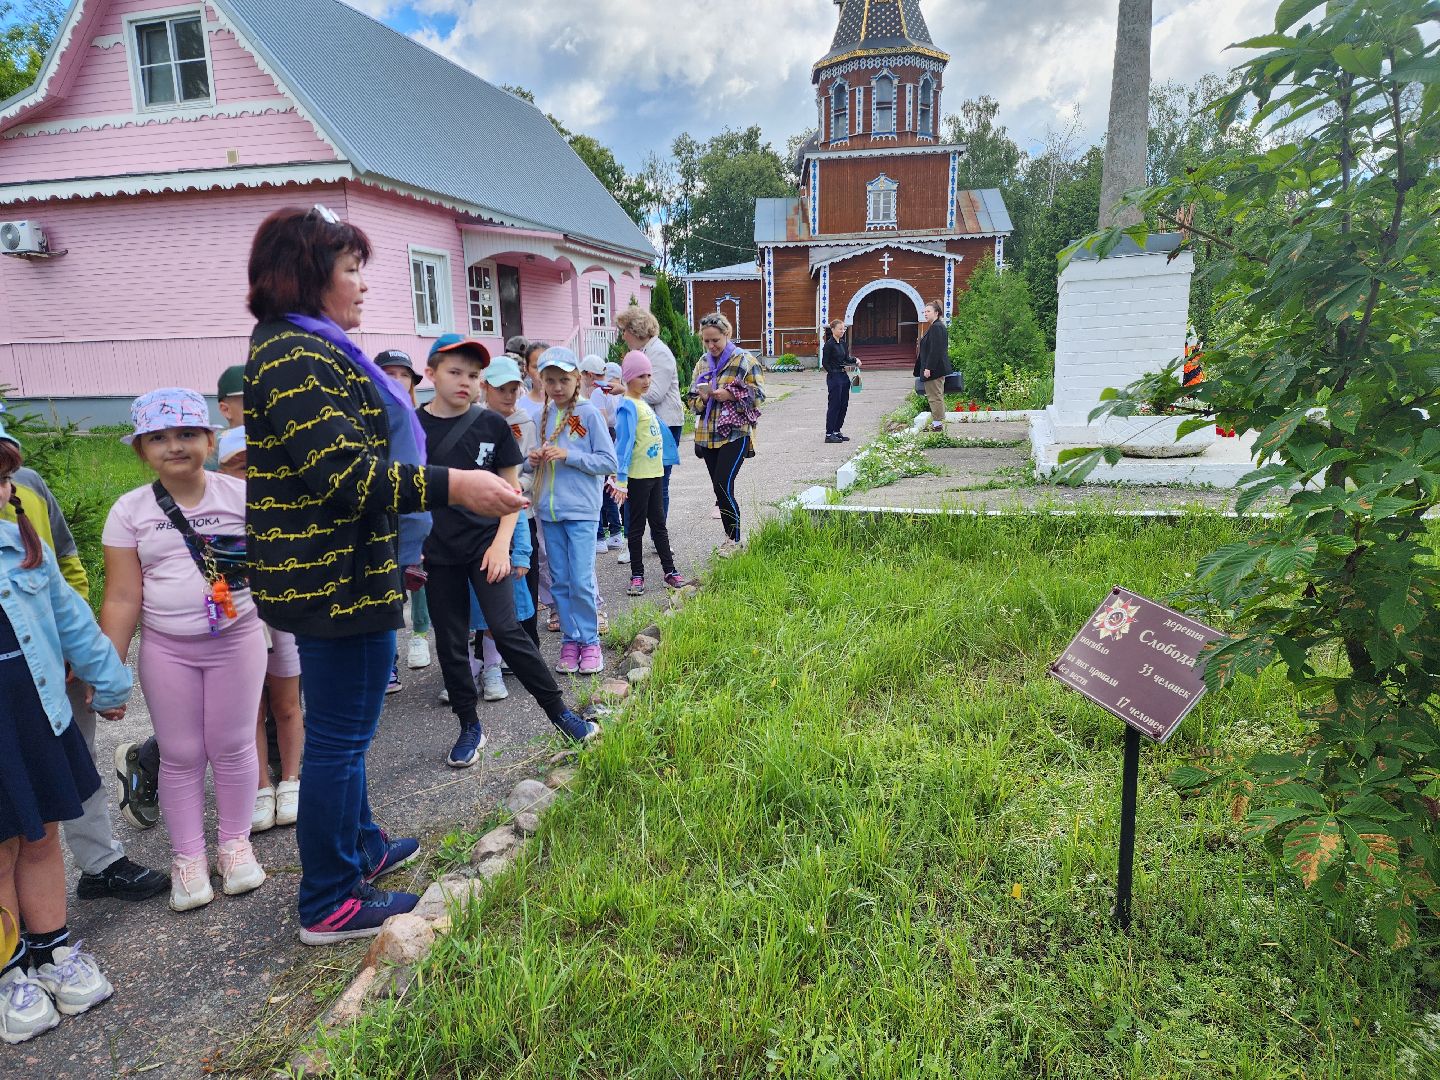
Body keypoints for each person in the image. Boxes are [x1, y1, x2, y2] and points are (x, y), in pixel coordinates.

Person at [242, 204, 531, 944]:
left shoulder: (313, 348)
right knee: (338, 737)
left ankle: (359, 846)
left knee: (352, 725)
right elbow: (345, 475)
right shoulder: (293, 356)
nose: (364, 284)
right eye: (351, 269)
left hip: (350, 571)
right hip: (328, 579)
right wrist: (455, 485)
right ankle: (330, 900)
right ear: (309, 276)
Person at [100, 389, 269, 913]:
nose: (175, 446)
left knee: (234, 744)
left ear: (210, 440)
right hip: (167, 650)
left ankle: (234, 845)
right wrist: (109, 671)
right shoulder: (129, 511)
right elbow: (123, 596)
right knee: (180, 755)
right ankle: (188, 858)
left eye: (187, 434)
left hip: (237, 642)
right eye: (159, 438)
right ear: (141, 449)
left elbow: (273, 571)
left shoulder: (241, 497)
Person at [0, 414, 167, 903]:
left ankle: (100, 863)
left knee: (75, 759)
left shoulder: (26, 483)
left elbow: (65, 559)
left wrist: (77, 648)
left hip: (52, 652)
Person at [0, 437, 132, 1043]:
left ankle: (53, 948)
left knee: (43, 835)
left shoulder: (22, 550)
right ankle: (9, 970)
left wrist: (108, 682)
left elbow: (71, 617)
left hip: (37, 719)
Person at [419, 335, 598, 766]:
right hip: (437, 552)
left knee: (508, 629)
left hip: (487, 547)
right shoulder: (412, 427)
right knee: (450, 639)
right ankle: (469, 726)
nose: (465, 382)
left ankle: (561, 714)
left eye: (473, 375)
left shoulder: (492, 427)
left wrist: (504, 547)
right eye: (454, 372)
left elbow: (513, 493)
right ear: (431, 374)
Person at [215, 430, 304, 836]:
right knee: (251, 710)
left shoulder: (286, 508)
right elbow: (210, 574)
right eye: (240, 466)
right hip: (237, 623)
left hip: (283, 618)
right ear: (221, 469)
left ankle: (292, 780)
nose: (252, 476)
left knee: (287, 705)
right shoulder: (212, 516)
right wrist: (224, 620)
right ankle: (259, 787)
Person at [530, 348, 617, 675]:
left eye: (563, 379)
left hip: (581, 511)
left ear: (577, 379)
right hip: (549, 513)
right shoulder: (544, 414)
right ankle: (571, 640)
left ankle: (590, 641)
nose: (556, 386)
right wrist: (533, 459)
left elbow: (608, 463)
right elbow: (528, 463)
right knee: (561, 582)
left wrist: (569, 455)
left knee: (581, 580)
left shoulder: (589, 413)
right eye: (549, 380)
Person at [375, 348, 434, 687]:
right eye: (387, 374)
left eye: (402, 374)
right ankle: (389, 661)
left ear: (412, 383)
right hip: (384, 522)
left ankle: (419, 636)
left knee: (419, 581)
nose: (396, 380)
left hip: (419, 518)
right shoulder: (367, 422)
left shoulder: (422, 419)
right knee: (388, 590)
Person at [686, 312, 765, 555]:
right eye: (706, 341)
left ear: (727, 335)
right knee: (719, 489)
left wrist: (730, 395)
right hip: (708, 434)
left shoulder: (744, 360)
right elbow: (690, 401)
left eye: (715, 340)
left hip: (735, 433)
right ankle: (731, 538)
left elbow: (759, 396)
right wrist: (702, 398)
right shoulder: (702, 362)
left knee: (723, 484)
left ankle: (735, 541)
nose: (711, 346)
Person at [612, 351, 685, 596]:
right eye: (640, 375)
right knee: (635, 528)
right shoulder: (627, 406)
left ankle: (669, 571)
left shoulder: (643, 403)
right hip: (637, 477)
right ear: (628, 377)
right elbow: (623, 444)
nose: (646, 380)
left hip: (655, 474)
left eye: (649, 375)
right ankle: (637, 575)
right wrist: (621, 478)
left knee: (659, 524)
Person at [482, 356, 543, 646]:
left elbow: (533, 469)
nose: (509, 396)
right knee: (488, 580)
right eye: (501, 389)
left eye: (513, 389)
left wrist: (518, 487)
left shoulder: (524, 422)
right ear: (485, 388)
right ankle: (488, 653)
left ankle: (528, 644)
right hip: (483, 515)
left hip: (521, 513)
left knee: (524, 576)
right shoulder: (474, 421)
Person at [616, 307, 683, 517]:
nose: (623, 335)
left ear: (635, 330)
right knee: (638, 480)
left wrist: (623, 390)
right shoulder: (643, 352)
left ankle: (657, 533)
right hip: (646, 422)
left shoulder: (659, 352)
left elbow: (655, 394)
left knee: (658, 483)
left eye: (624, 330)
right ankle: (638, 534)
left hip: (664, 423)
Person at [916, 300, 951, 431]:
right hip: (935, 368)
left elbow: (935, 350)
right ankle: (937, 423)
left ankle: (937, 425)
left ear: (936, 313)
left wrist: (928, 368)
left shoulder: (936, 327)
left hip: (934, 370)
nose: (925, 314)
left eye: (928, 311)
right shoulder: (936, 326)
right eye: (924, 311)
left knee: (934, 396)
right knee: (935, 395)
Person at [822, 320, 853, 444]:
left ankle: (836, 431)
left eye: (843, 329)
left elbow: (847, 358)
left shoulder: (843, 344)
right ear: (833, 330)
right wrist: (832, 373)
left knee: (843, 404)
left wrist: (855, 361)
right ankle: (829, 434)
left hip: (844, 376)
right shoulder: (829, 345)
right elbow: (825, 362)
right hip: (834, 377)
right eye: (840, 329)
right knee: (834, 405)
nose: (842, 331)